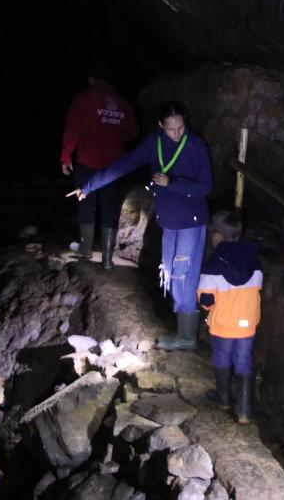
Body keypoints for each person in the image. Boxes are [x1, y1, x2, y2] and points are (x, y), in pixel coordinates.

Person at [67, 100, 212, 349]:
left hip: (191, 220)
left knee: (183, 275)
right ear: (160, 126)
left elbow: (206, 187)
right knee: (169, 272)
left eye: (181, 128)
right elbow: (123, 165)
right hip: (169, 219)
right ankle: (182, 330)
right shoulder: (154, 143)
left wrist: (172, 184)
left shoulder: (196, 145)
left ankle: (186, 337)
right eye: (171, 129)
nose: (177, 134)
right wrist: (89, 186)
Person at [60, 67, 138, 269]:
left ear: (92, 78)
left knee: (85, 203)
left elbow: (72, 129)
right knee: (109, 207)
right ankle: (107, 260)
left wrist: (66, 156)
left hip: (87, 161)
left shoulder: (84, 99)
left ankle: (85, 249)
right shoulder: (123, 104)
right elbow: (132, 133)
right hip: (113, 165)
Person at [197, 210, 262, 424]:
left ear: (217, 235)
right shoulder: (254, 260)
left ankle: (223, 398)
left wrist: (206, 306)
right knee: (244, 361)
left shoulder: (215, 262)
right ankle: (244, 410)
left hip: (223, 323)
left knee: (222, 357)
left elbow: (207, 299)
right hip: (247, 324)